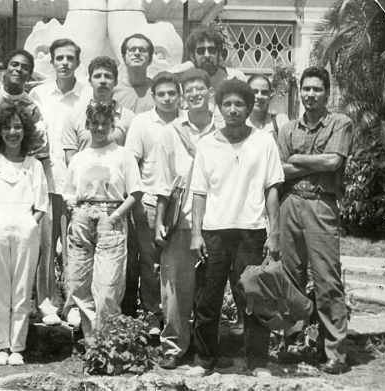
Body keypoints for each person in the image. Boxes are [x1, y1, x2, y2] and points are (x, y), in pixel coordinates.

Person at [190, 79, 284, 376]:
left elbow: (272, 189)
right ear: (219, 108)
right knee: (208, 300)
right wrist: (195, 234)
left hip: (251, 231)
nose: (233, 109)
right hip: (215, 231)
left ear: (248, 107)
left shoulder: (264, 141)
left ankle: (257, 362)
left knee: (253, 300)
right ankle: (205, 361)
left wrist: (275, 232)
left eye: (239, 104)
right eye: (227, 104)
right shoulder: (206, 144)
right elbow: (199, 192)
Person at [278, 66, 352, 375]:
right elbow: (279, 171)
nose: (310, 94)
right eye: (306, 88)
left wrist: (297, 160)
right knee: (290, 276)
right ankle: (293, 343)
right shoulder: (287, 130)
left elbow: (334, 161)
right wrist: (310, 164)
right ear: (300, 91)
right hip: (290, 203)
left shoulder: (340, 123)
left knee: (326, 279)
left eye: (317, 89)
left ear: (327, 92)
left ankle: (334, 350)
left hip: (321, 204)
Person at [0, 104, 49, 366]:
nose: (12, 132)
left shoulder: (34, 165)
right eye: (7, 127)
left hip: (25, 227)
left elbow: (41, 205)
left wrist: (29, 224)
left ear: (25, 131)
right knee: (0, 288)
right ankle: (1, 345)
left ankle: (18, 346)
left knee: (22, 288)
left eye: (17, 127)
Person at [153, 68, 218, 370]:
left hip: (216, 221)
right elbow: (163, 181)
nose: (194, 95)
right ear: (182, 97)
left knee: (210, 288)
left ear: (210, 94)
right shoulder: (170, 133)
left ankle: (207, 347)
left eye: (200, 89)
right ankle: (174, 346)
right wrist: (159, 221)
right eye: (188, 90)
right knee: (174, 287)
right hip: (181, 219)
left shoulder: (222, 131)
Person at [62, 100, 143, 335]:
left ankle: (107, 342)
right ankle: (90, 341)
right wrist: (75, 208)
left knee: (108, 286)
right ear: (87, 124)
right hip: (82, 219)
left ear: (112, 125)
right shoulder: (80, 157)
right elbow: (68, 191)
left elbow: (135, 192)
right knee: (79, 282)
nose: (99, 128)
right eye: (94, 123)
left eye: (104, 123)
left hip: (111, 218)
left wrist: (115, 216)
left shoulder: (123, 155)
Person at [30, 39, 92, 325]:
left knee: (76, 247)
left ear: (78, 62)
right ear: (51, 62)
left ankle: (74, 303)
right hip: (45, 180)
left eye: (70, 58)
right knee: (45, 245)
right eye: (59, 58)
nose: (65, 63)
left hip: (78, 185)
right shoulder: (39, 95)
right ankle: (47, 302)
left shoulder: (88, 95)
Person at [122, 71, 181, 334]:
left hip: (181, 204)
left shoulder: (187, 122)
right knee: (150, 263)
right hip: (148, 200)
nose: (167, 98)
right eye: (162, 94)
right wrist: (135, 200)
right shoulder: (142, 123)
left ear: (179, 95)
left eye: (172, 93)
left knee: (178, 263)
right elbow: (132, 163)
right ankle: (153, 315)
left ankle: (177, 315)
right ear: (154, 96)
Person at [62, 56, 135, 166]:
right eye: (97, 76)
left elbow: (131, 160)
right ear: (89, 81)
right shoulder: (74, 116)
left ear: (115, 82)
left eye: (108, 76)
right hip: (84, 179)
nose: (102, 81)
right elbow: (71, 159)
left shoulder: (129, 118)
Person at [171, 25, 246, 91]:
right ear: (192, 56)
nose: (207, 55)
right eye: (201, 51)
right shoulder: (186, 84)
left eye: (211, 50)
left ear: (219, 52)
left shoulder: (236, 78)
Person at [114, 33, 155, 114]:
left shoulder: (158, 90)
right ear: (123, 57)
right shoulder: (112, 90)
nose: (137, 53)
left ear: (150, 59)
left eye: (142, 50)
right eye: (132, 49)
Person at [246, 74, 289, 142]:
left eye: (264, 92)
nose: (259, 96)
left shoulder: (280, 122)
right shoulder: (239, 124)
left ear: (269, 96)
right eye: (254, 91)